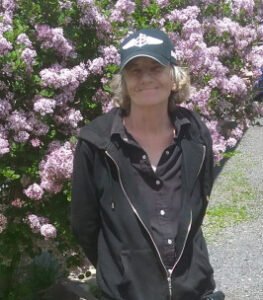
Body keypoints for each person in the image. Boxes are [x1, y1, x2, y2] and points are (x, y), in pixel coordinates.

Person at [71, 28, 225, 300]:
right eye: (134, 70)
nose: (145, 78)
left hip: (194, 290)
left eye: (155, 67)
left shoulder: (195, 134)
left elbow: (198, 204)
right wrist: (119, 269)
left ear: (173, 76)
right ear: (124, 81)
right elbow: (85, 224)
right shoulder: (96, 143)